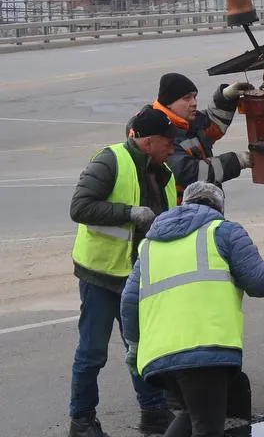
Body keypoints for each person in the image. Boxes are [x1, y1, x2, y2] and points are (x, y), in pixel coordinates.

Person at [120, 181, 264, 437]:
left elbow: (129, 301)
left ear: (184, 203)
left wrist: (133, 347)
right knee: (206, 426)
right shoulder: (223, 231)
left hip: (159, 356)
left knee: (193, 414)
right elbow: (260, 282)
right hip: (204, 352)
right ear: (219, 208)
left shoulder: (150, 245)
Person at [67, 106, 180, 437]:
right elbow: (80, 207)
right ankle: (82, 421)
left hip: (139, 277)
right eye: (168, 143)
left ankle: (154, 411)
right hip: (102, 276)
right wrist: (129, 212)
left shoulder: (164, 173)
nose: (172, 149)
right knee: (92, 352)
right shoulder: (111, 161)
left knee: (143, 348)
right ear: (148, 142)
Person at [128, 73, 255, 195]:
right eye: (187, 98)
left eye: (194, 97)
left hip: (199, 205)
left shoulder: (185, 122)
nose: (194, 103)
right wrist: (237, 161)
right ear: (169, 103)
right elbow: (190, 173)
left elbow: (212, 124)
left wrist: (225, 98)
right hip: (181, 208)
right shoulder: (159, 134)